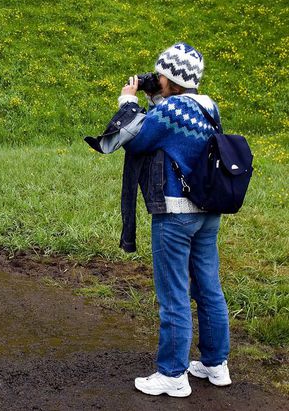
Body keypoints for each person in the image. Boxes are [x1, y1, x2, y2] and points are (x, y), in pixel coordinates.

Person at [116, 43, 231, 397]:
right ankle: (215, 365)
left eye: (160, 74)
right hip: (207, 212)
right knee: (209, 289)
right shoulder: (207, 106)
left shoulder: (172, 111)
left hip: (176, 213)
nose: (156, 78)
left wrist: (128, 102)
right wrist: (156, 101)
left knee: (174, 294)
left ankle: (172, 375)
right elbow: (174, 137)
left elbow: (135, 140)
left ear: (171, 79)